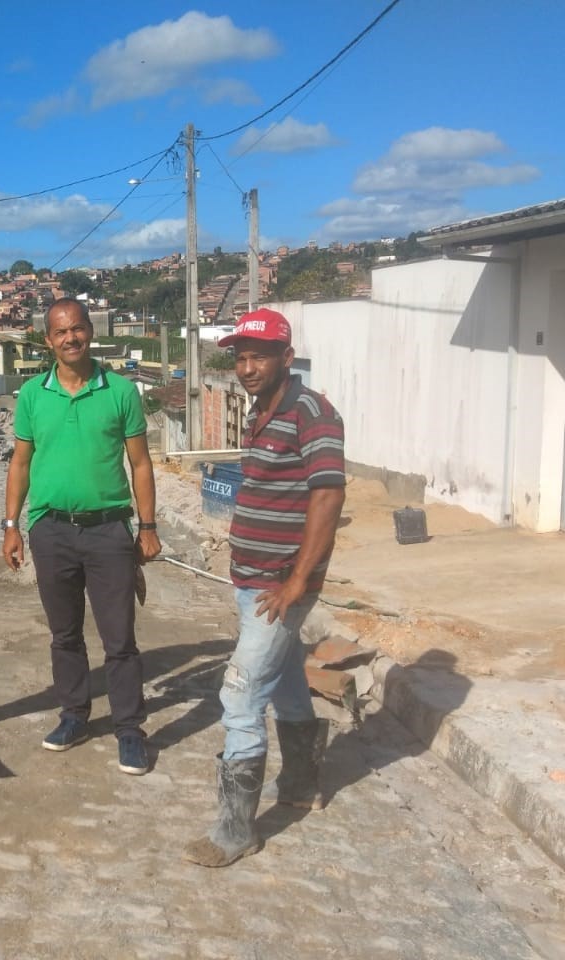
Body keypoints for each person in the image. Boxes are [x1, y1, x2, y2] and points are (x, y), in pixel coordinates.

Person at [183, 308, 346, 867]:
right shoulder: (260, 411)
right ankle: (301, 783)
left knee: (241, 694)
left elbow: (328, 495)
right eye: (241, 358)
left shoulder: (312, 413)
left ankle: (234, 831)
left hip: (280, 585)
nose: (247, 368)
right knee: (286, 683)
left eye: (258, 357)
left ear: (286, 357)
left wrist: (297, 581)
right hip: (252, 579)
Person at [2, 298, 161, 776]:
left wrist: (147, 526)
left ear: (90, 331)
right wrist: (12, 526)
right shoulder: (33, 395)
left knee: (120, 638)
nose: (70, 338)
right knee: (64, 634)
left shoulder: (120, 391)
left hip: (108, 530)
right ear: (48, 340)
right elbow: (21, 463)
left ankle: (129, 730)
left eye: (77, 329)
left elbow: (140, 463)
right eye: (60, 332)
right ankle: (74, 716)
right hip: (51, 531)